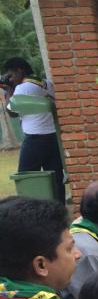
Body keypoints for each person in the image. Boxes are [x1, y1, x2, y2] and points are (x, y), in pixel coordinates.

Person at [1, 56, 64, 202]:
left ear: (19, 71)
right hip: (54, 137)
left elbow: (12, 112)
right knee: (55, 177)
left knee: (26, 177)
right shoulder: (46, 83)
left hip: (35, 138)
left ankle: (30, 212)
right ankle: (58, 209)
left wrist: (9, 90)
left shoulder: (23, 87)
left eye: (10, 75)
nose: (9, 79)